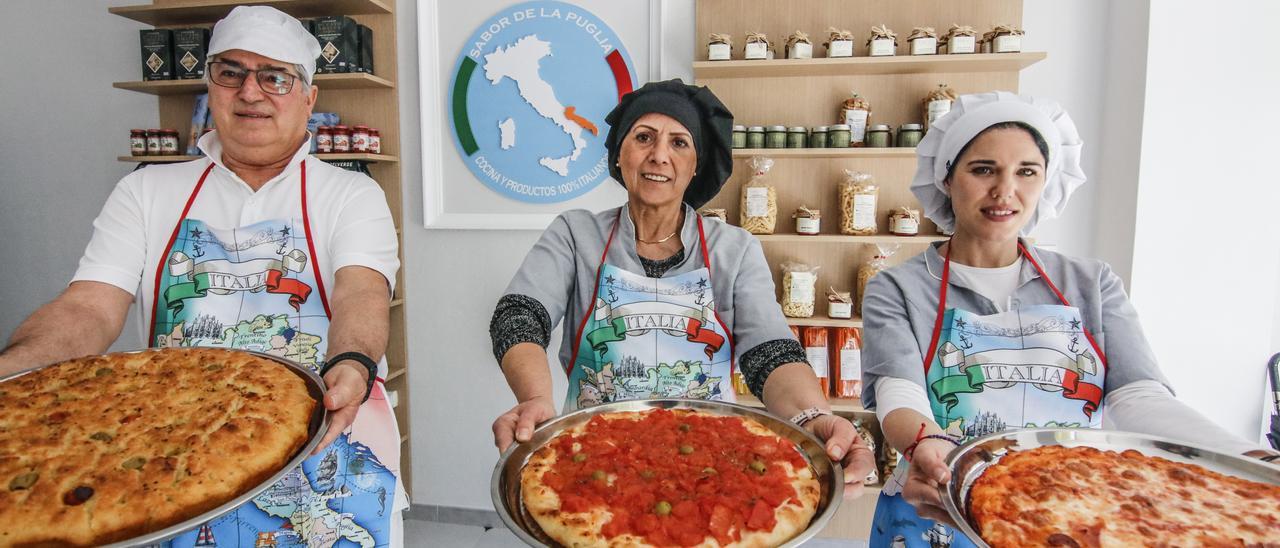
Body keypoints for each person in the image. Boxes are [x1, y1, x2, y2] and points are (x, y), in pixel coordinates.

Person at [0, 6, 407, 546]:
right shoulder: (146, 191)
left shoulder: (351, 193)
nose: (250, 92)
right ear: (210, 87)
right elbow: (90, 305)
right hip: (177, 453)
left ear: (308, 99)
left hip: (328, 440)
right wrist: (12, 372)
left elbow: (362, 292)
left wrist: (353, 361)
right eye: (230, 72)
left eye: (275, 77)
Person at [861, 91, 1280, 546]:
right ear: (946, 178)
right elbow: (899, 393)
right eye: (983, 170)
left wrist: (1250, 458)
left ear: (1047, 180)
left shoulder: (1091, 282)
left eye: (1027, 171)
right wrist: (928, 446)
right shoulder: (899, 287)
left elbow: (1138, 396)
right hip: (934, 500)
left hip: (1066, 504)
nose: (1005, 191)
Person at [488, 79, 875, 488]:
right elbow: (519, 316)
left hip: (708, 469)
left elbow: (770, 351)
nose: (659, 155)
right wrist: (535, 399)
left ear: (696, 165)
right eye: (643, 137)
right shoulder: (575, 234)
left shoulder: (734, 249)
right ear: (619, 153)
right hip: (593, 460)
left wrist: (812, 416)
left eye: (679, 143)